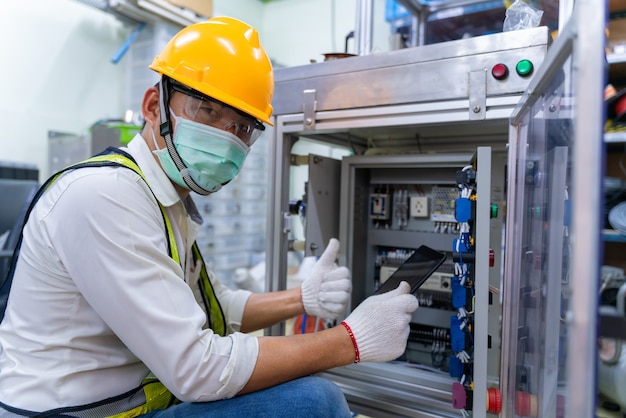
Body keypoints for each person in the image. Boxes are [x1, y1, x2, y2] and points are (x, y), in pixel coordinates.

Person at [0, 16, 419, 417]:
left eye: (241, 128)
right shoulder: (105, 196)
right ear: (153, 106)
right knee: (314, 402)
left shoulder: (165, 201)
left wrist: (301, 299)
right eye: (207, 111)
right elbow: (198, 370)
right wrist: (349, 340)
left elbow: (216, 306)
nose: (226, 136)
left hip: (129, 407)